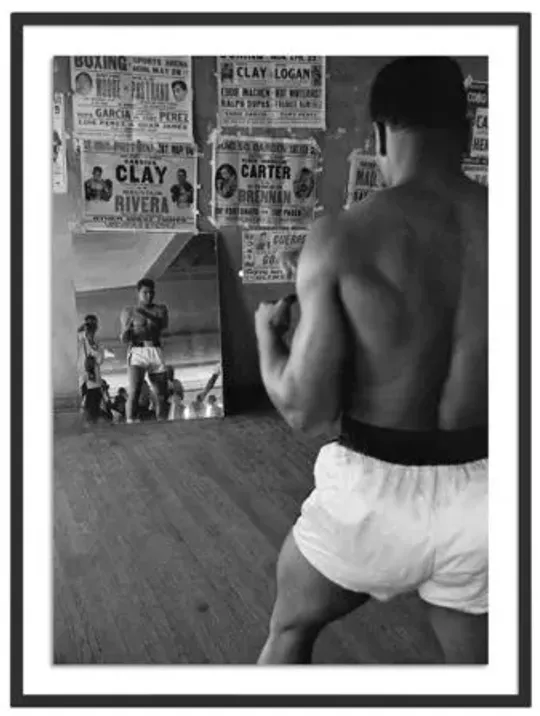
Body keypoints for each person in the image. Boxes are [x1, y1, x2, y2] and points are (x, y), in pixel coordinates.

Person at [254, 57, 488, 665]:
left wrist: (269, 339)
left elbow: (305, 410)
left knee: (289, 630)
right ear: (466, 132)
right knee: (487, 682)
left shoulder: (342, 236)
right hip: (490, 498)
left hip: (370, 503)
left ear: (378, 135)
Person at [120, 278, 169, 423]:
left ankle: (163, 424)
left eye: (151, 293)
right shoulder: (128, 311)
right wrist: (126, 332)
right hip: (137, 351)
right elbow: (123, 339)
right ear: (138, 293)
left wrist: (145, 313)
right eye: (145, 293)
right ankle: (130, 422)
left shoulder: (160, 309)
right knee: (134, 391)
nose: (149, 296)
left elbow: (162, 325)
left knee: (161, 394)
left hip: (155, 350)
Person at [77, 314, 105, 424]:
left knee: (93, 406)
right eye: (88, 323)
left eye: (93, 324)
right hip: (81, 379)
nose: (90, 326)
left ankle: (93, 425)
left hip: (94, 380)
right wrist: (81, 330)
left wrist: (92, 342)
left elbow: (99, 360)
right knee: (82, 405)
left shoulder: (98, 343)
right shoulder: (79, 339)